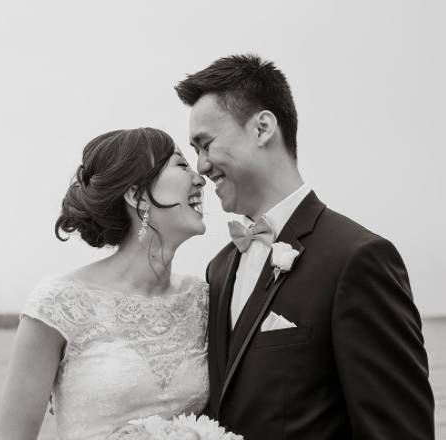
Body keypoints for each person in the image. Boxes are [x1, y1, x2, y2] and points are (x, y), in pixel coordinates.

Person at [174, 54, 435, 439]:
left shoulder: (357, 259)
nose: (201, 166)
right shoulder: (219, 268)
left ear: (262, 128)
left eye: (206, 144)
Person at [0, 127, 210, 440]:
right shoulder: (59, 303)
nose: (200, 178)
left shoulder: (203, 299)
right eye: (181, 165)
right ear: (136, 195)